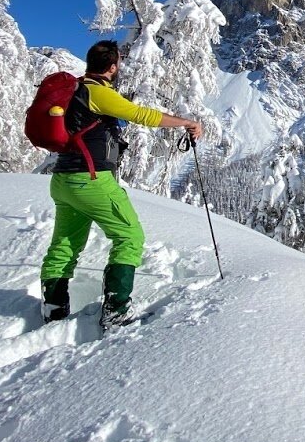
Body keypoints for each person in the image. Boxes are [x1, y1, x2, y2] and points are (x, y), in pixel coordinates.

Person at [40, 40, 203, 329]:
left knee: (65, 243)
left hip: (63, 180)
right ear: (113, 67)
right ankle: (116, 313)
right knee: (129, 236)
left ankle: (53, 308)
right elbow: (143, 115)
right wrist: (186, 122)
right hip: (91, 181)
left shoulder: (75, 92)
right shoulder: (97, 93)